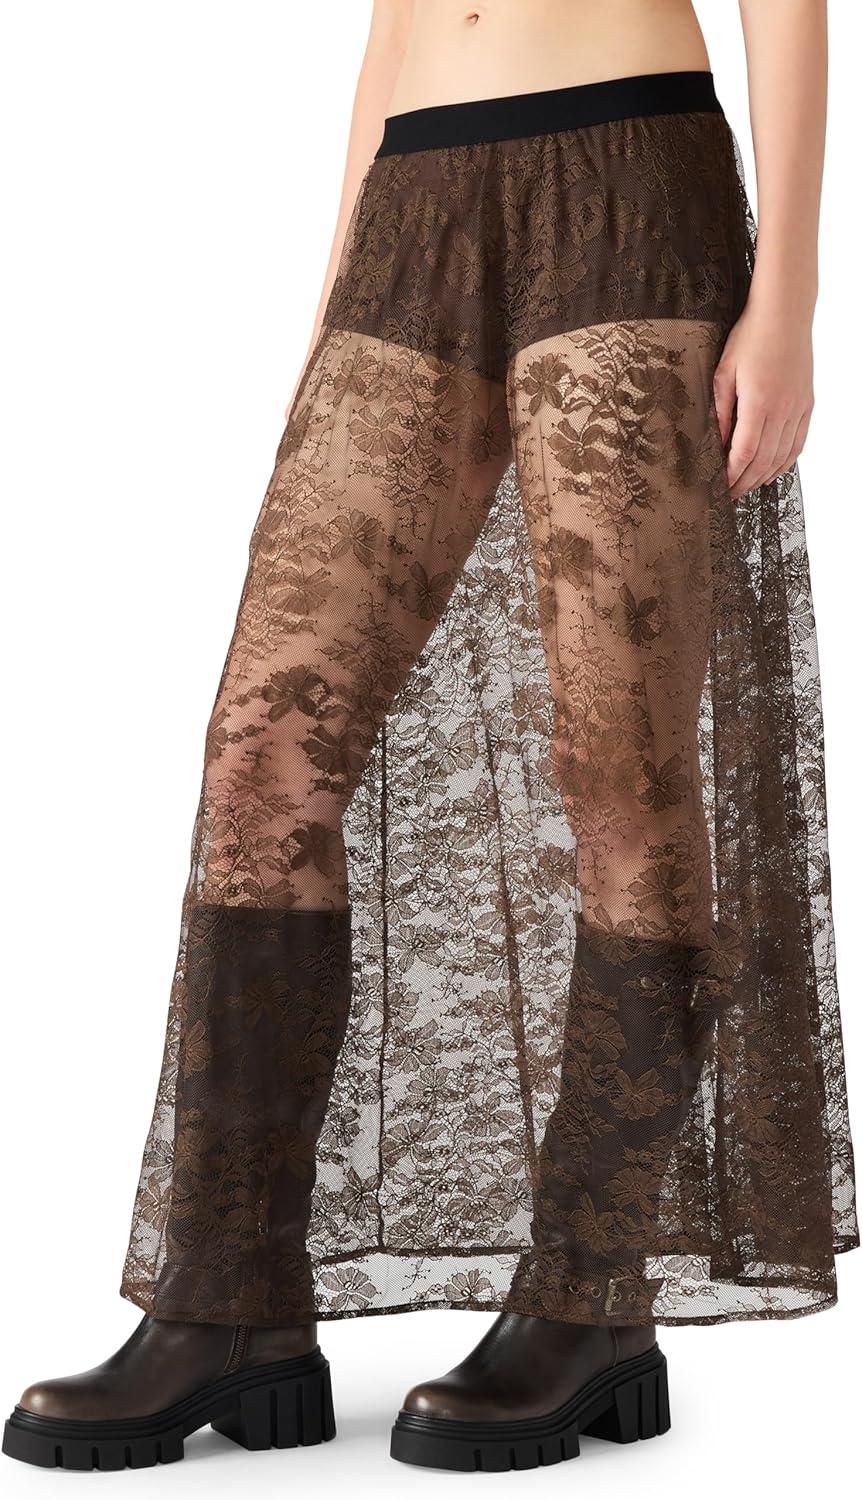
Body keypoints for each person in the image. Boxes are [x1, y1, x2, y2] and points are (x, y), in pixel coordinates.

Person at [3, 0, 857, 1476]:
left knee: (621, 761)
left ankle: (591, 1294)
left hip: (627, 173)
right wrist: (336, 306)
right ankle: (229, 1302)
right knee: (264, 754)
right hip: (414, 197)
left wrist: (784, 295)